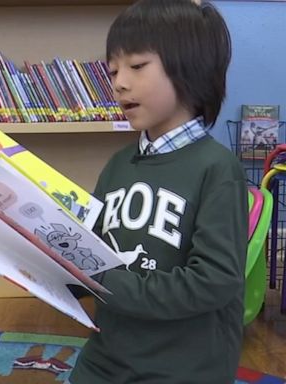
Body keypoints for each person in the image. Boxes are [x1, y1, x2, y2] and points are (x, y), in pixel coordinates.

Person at [68, 0, 248, 383]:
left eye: (136, 66)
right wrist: (46, 268)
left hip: (182, 367)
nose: (119, 82)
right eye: (113, 69)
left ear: (191, 70)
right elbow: (92, 253)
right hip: (107, 358)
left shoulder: (217, 169)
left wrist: (107, 283)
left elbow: (213, 282)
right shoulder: (117, 164)